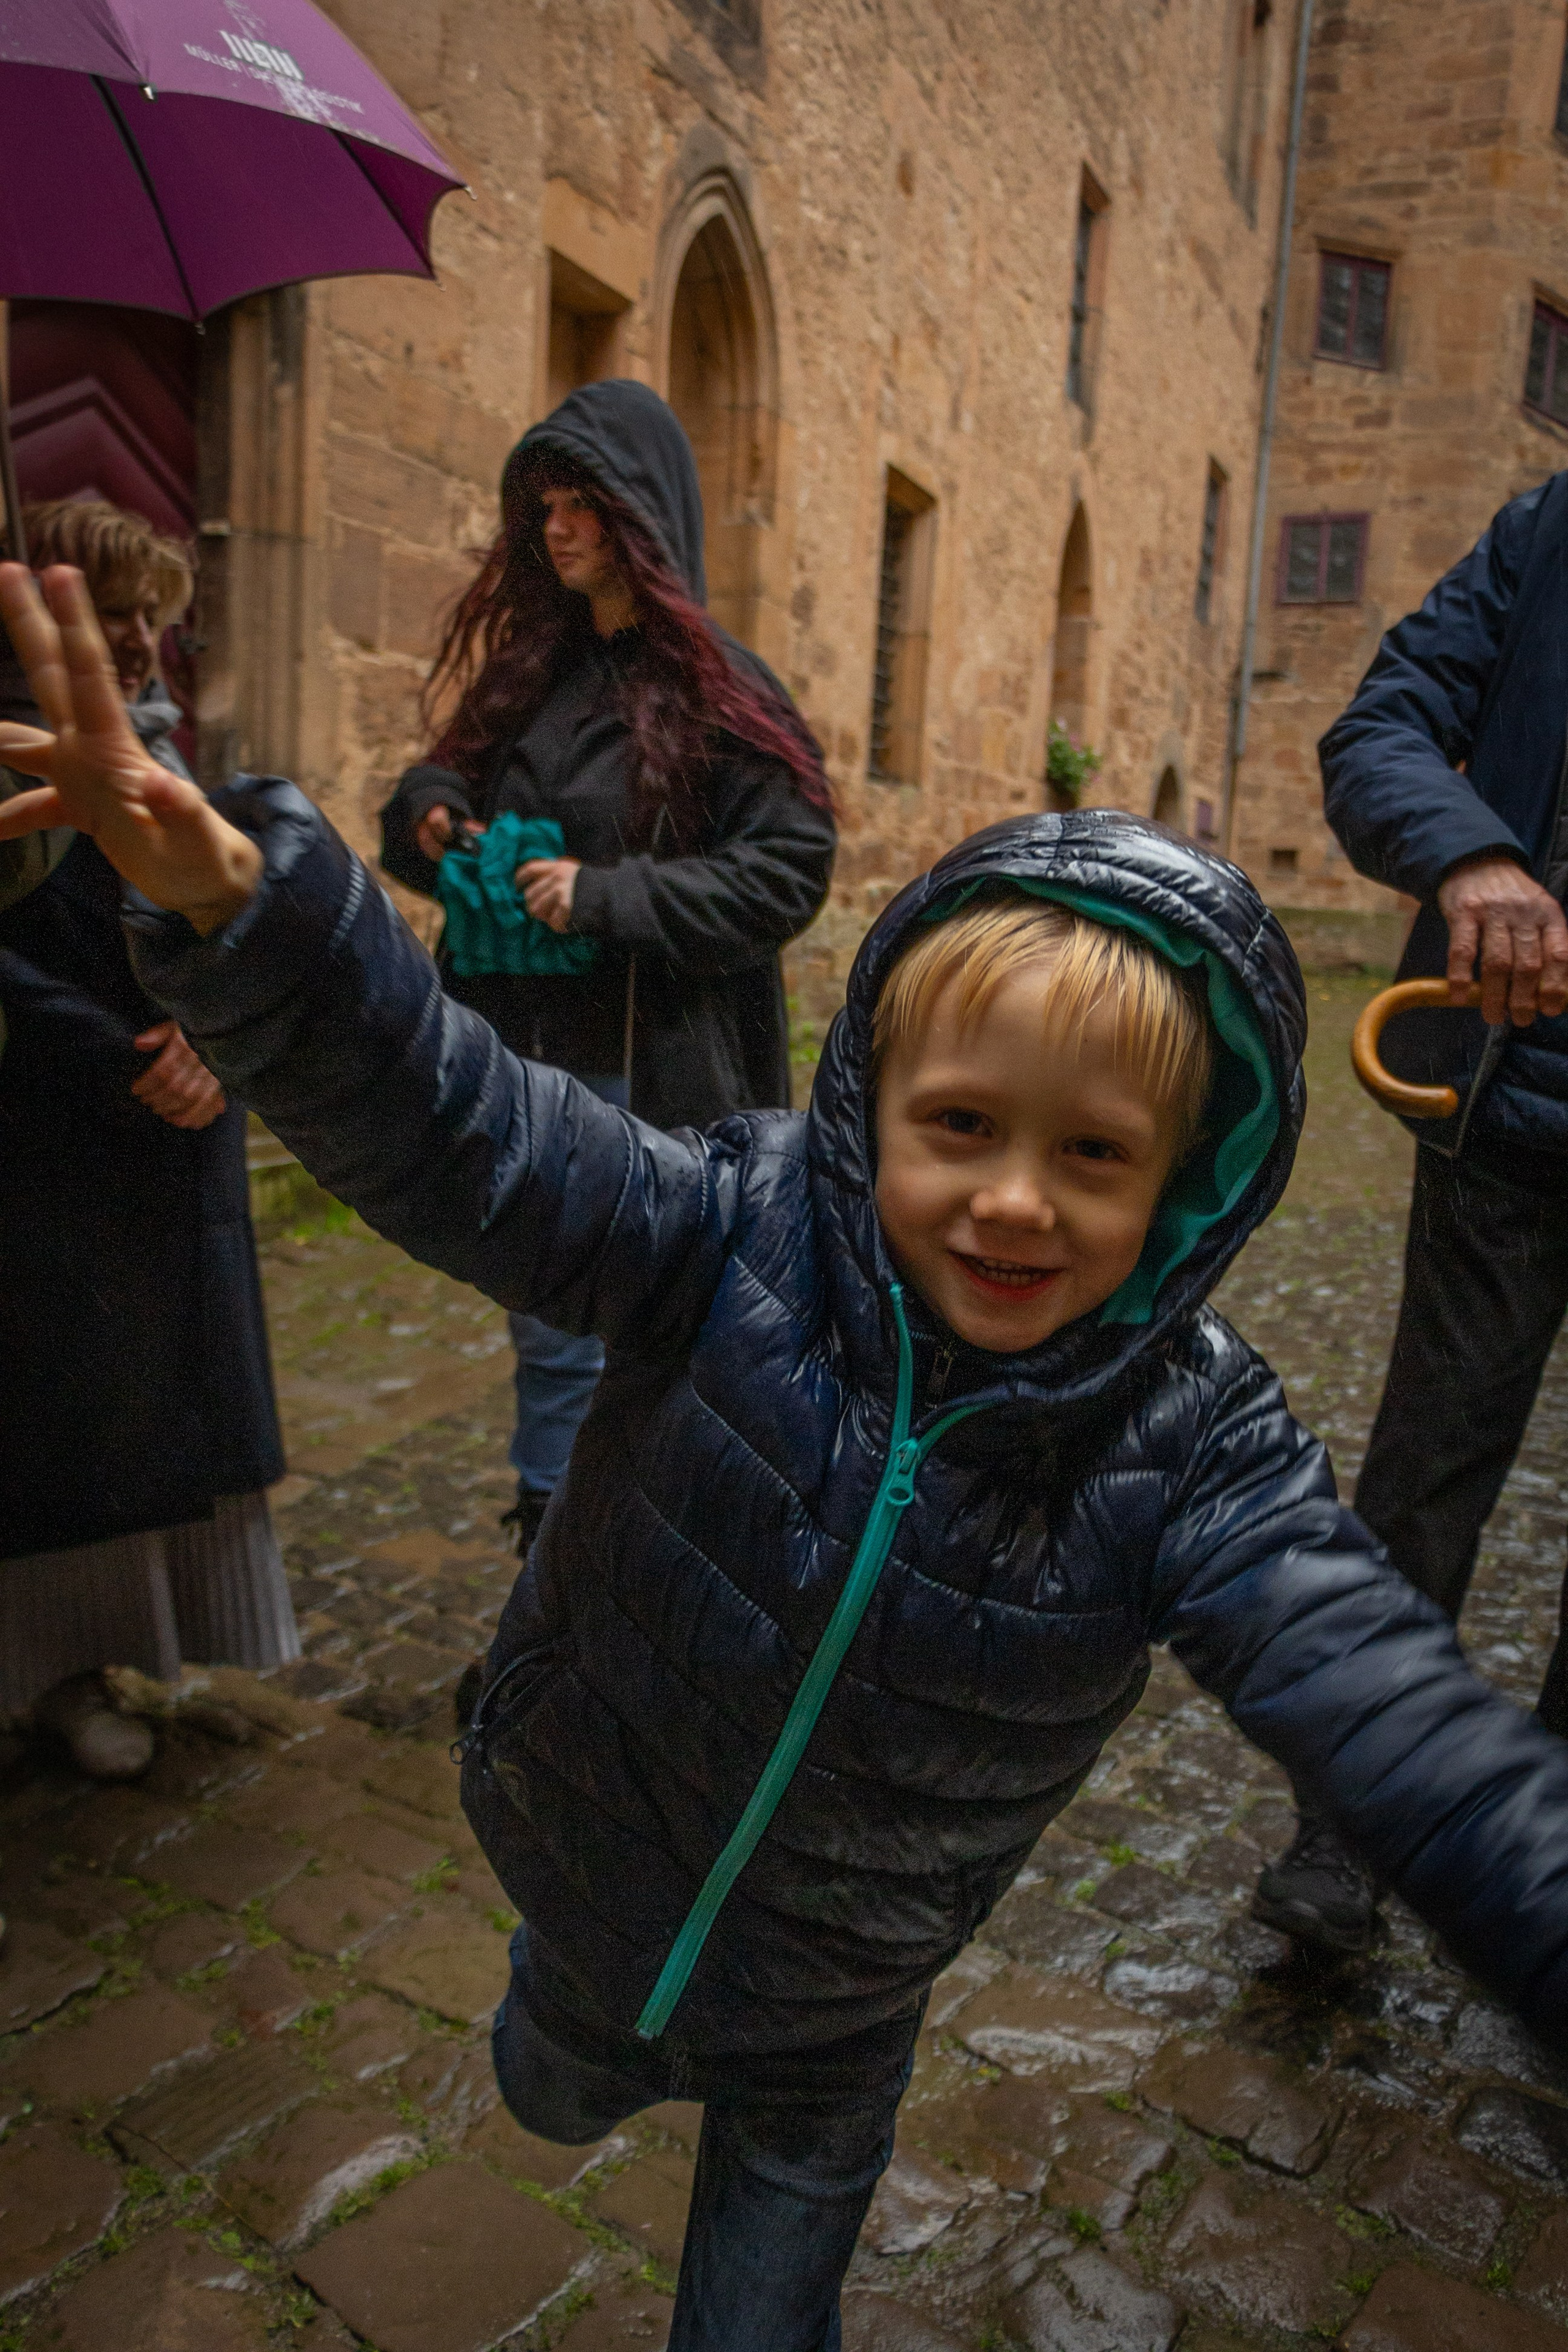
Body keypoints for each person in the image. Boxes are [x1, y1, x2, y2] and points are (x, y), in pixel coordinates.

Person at [9, 565, 1568, 2350]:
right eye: (963, 1127)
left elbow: (1411, 1734)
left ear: (1188, 1187)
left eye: (1093, 1157)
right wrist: (245, 913)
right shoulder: (728, 1227)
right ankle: (573, 2027)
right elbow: (465, 1127)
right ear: (873, 1103)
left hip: (846, 1992)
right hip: (596, 1870)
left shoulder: (1196, 1450)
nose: (1010, 1200)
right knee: (556, 2083)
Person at [380, 382, 835, 1556]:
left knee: (645, 1334)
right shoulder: (532, 676)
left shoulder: (719, 693)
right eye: (546, 507)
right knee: (552, 1325)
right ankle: (556, 1553)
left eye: (584, 505)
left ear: (641, 517)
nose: (558, 529)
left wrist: (606, 897)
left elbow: (789, 869)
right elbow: (444, 780)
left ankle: (627, 1558)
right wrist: (430, 811)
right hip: (525, 1063)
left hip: (657, 1083)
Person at [1251, 470, 1568, 1957]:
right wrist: (1472, 853)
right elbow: (1376, 725)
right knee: (1427, 1471)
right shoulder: (1546, 534)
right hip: (1503, 1113)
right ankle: (1351, 1823)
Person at [0, 510, 294, 1781]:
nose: (137, 641)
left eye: (151, 616)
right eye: (115, 611)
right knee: (48, 1425)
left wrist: (211, 1031)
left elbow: (235, 908)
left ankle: (100, 1660)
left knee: (144, 1420)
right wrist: (118, 1054)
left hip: (172, 1137)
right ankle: (34, 1677)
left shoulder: (172, 743)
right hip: (50, 1132)